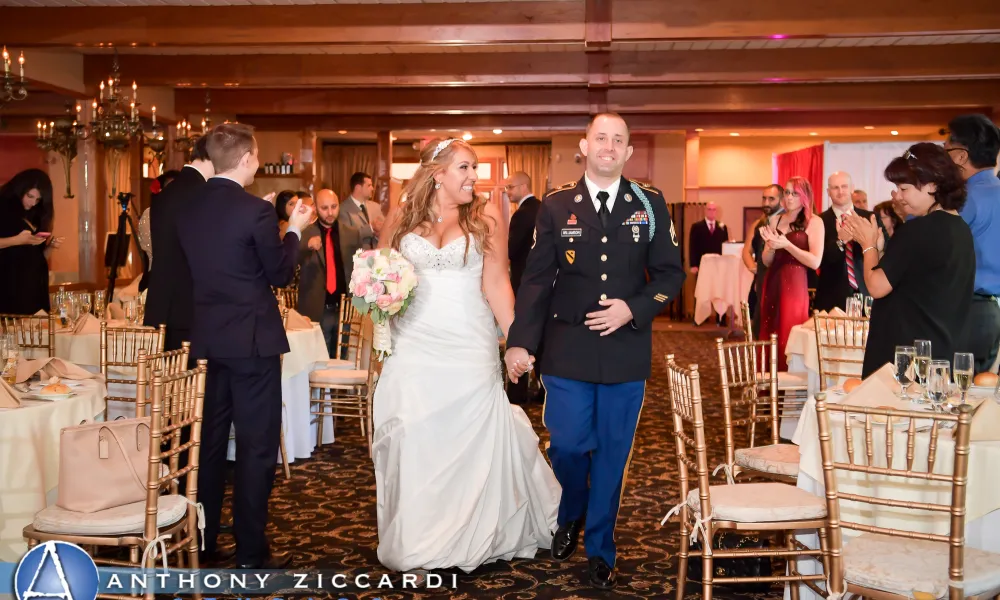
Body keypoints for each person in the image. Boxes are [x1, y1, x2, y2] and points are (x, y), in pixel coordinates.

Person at [505, 113, 686, 589]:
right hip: (568, 348)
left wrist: (635, 307)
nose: (609, 146)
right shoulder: (556, 204)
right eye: (600, 137)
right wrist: (521, 340)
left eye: (618, 140)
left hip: (625, 349)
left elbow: (671, 275)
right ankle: (572, 508)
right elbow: (537, 278)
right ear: (584, 146)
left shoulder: (650, 204)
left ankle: (600, 547)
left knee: (611, 455)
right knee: (567, 443)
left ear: (628, 153)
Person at [371, 137, 560, 577]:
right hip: (414, 343)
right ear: (437, 174)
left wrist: (518, 342)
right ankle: (419, 542)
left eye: (474, 168)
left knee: (464, 436)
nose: (474, 177)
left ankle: (467, 532)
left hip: (467, 344)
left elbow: (497, 283)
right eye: (464, 168)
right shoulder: (401, 218)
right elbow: (381, 274)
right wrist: (378, 297)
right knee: (414, 435)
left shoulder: (487, 218)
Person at [178, 123, 314, 569]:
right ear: (245, 159)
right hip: (252, 344)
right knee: (256, 448)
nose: (257, 162)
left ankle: (204, 541)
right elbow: (278, 273)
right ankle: (251, 550)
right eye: (256, 156)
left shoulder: (188, 207)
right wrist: (293, 230)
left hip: (206, 342)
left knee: (210, 446)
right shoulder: (254, 210)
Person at [842, 143, 974, 378]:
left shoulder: (918, 229)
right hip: (942, 350)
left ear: (933, 184)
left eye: (904, 188)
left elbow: (876, 286)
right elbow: (911, 280)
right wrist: (881, 252)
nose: (899, 197)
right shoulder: (961, 228)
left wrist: (868, 244)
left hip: (907, 355)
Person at [143, 136, 215, 351]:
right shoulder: (201, 193)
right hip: (189, 311)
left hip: (165, 306)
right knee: (191, 383)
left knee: (169, 383)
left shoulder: (170, 192)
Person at [945, 114, 1000, 373]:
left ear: (961, 155)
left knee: (953, 400)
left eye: (947, 147)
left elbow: (932, 243)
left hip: (964, 310)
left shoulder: (964, 199)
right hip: (989, 313)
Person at [759, 176, 824, 371]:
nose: (789, 197)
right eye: (787, 192)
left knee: (790, 332)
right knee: (770, 332)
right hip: (773, 281)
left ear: (805, 196)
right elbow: (766, 261)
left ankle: (791, 389)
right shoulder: (776, 219)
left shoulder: (814, 222)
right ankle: (770, 386)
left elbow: (815, 261)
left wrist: (787, 245)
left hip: (795, 284)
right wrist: (770, 247)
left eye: (794, 193)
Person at [296, 189, 355, 355]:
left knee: (342, 357)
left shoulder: (351, 234)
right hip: (317, 308)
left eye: (334, 206)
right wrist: (306, 246)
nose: (330, 212)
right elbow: (290, 260)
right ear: (315, 208)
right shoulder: (304, 233)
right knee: (317, 358)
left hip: (344, 307)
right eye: (324, 208)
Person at [813, 172, 880, 312]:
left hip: (867, 295)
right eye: (835, 187)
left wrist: (872, 243)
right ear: (828, 192)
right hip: (831, 296)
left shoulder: (870, 218)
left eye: (844, 186)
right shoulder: (818, 221)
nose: (840, 191)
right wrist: (840, 240)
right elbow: (818, 260)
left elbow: (884, 251)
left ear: (852, 189)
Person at [0, 169, 62, 315]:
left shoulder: (34, 215)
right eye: (30, 196)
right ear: (20, 189)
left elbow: (38, 258)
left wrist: (51, 247)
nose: (33, 203)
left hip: (34, 290)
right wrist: (17, 240)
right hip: (10, 289)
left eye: (38, 200)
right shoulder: (2, 208)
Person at [504, 170, 542, 405]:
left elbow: (511, 250)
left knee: (522, 333)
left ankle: (517, 392)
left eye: (510, 187)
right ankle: (543, 389)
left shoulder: (522, 214)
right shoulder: (543, 208)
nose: (508, 192)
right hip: (542, 283)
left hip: (523, 282)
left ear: (523, 186)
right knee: (540, 336)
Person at [741, 184, 783, 335]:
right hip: (760, 278)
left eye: (771, 199)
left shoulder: (786, 222)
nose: (766, 203)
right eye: (764, 198)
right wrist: (755, 269)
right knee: (758, 320)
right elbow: (746, 251)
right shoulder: (758, 224)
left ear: (782, 200)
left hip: (780, 279)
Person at [339, 172, 377, 249]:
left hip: (377, 257)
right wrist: (371, 228)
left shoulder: (376, 207)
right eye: (369, 185)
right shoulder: (343, 209)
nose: (372, 188)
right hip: (357, 258)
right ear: (358, 188)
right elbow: (347, 236)